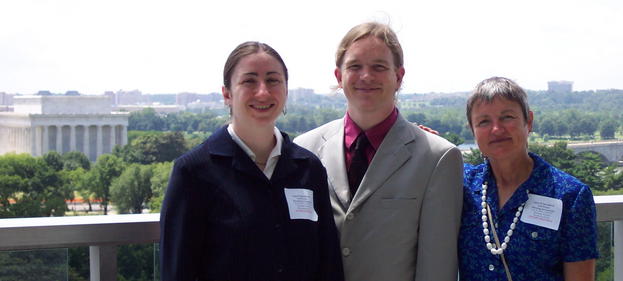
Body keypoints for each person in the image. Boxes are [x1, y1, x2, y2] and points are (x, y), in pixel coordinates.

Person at [160, 41, 344, 281]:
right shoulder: (193, 173)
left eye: (273, 80)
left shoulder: (309, 169)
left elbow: (328, 264)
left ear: (286, 90)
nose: (263, 92)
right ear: (227, 94)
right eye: (249, 81)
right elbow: (177, 272)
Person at [294, 22, 463, 281]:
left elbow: (437, 267)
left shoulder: (437, 158)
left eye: (379, 67)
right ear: (339, 76)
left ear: (399, 76)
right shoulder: (305, 150)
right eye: (355, 66)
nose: (366, 76)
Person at [458, 77, 598, 280]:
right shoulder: (462, 185)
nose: (496, 129)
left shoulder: (570, 196)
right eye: (484, 121)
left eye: (507, 117)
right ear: (473, 130)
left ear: (528, 121)